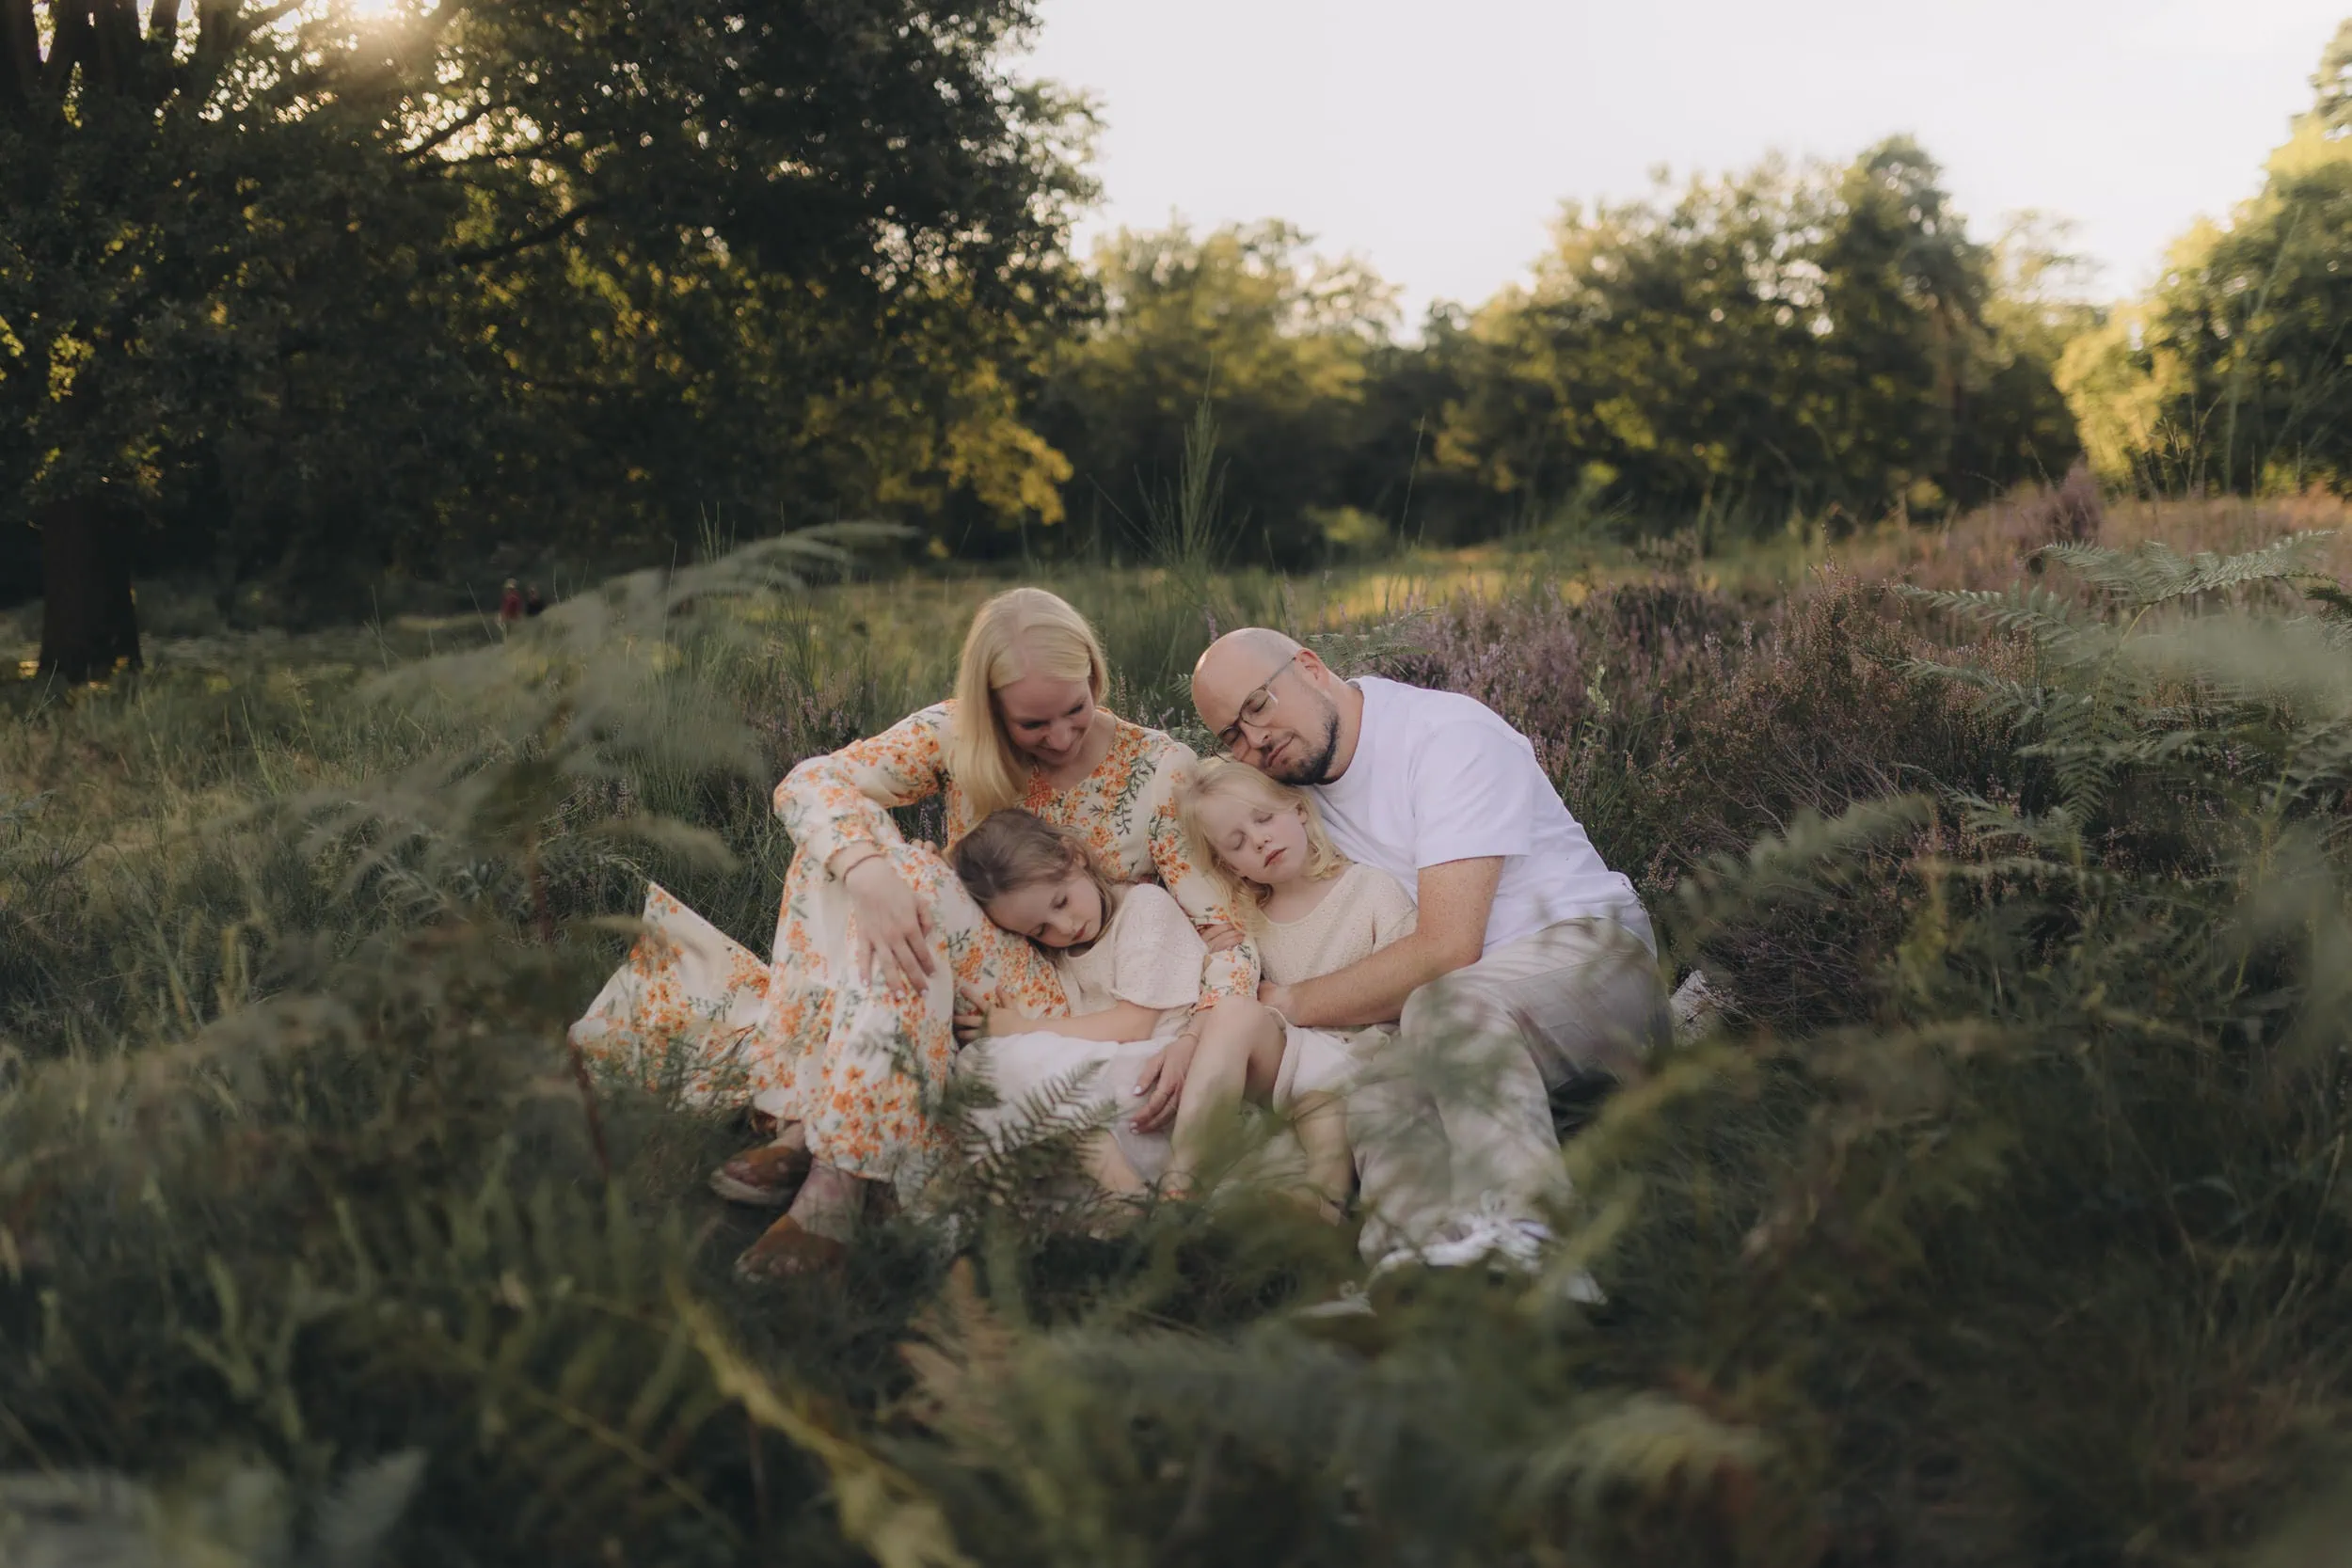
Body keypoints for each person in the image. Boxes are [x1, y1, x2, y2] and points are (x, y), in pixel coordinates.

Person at [569, 588, 1255, 1277]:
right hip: (935, 962)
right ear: (990, 708)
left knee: (913, 880)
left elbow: (1225, 932)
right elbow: (809, 782)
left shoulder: (1157, 768)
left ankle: (827, 1156)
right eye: (1032, 722)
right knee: (844, 850)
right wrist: (868, 874)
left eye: (1075, 708)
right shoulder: (958, 734)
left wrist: (1199, 1031)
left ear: (1095, 677)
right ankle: (832, 1146)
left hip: (1043, 1003)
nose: (1059, 736)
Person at [1190, 628, 1668, 1273]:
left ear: (1309, 667)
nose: (1255, 740)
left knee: (1445, 1005)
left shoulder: (1445, 736)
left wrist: (1290, 1003)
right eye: (1232, 736)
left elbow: (1447, 948)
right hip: (1461, 1014)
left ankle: (1535, 1241)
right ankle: (1407, 1269)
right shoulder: (1291, 803)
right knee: (1383, 1085)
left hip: (1593, 962)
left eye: (1258, 706)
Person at [946, 808, 1343, 1214]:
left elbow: (1134, 1025)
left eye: (1061, 902)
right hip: (1133, 1089)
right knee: (981, 1064)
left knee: (1011, 1058)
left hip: (1178, 1067)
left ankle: (1159, 1199)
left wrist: (1025, 1030)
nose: (1063, 927)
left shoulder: (1142, 907)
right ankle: (1130, 1202)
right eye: (1039, 930)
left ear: (1073, 855)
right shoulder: (1062, 954)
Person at [1173, 758, 1419, 1212]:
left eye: (1264, 819)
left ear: (1300, 811)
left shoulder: (1371, 889)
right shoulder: (1250, 927)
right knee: (1233, 1013)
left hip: (1370, 1060)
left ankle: (1324, 1201)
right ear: (1233, 867)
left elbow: (1411, 987)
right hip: (1292, 1067)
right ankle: (1179, 1180)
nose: (1259, 840)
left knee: (1323, 1109)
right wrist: (1220, 953)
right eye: (1237, 843)